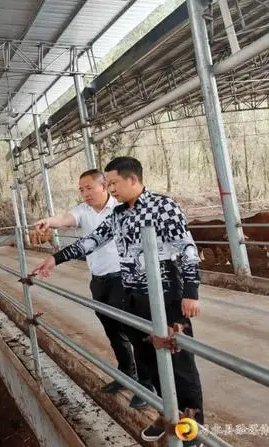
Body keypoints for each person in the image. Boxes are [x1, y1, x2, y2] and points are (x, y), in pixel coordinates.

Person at [32, 156, 204, 444]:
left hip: (166, 297)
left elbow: (186, 248)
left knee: (179, 362)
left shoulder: (163, 206)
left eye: (113, 183)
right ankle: (167, 411)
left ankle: (194, 426)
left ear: (132, 179)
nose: (110, 189)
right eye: (108, 184)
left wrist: (191, 293)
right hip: (132, 296)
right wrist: (55, 258)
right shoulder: (119, 213)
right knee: (149, 358)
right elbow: (93, 240)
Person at [33, 169, 145, 409]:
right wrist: (48, 222)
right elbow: (63, 219)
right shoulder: (82, 211)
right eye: (81, 190)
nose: (84, 194)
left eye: (88, 188)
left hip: (123, 277)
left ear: (104, 186)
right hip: (99, 280)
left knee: (133, 330)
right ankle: (127, 374)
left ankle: (147, 385)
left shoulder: (121, 208)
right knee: (112, 329)